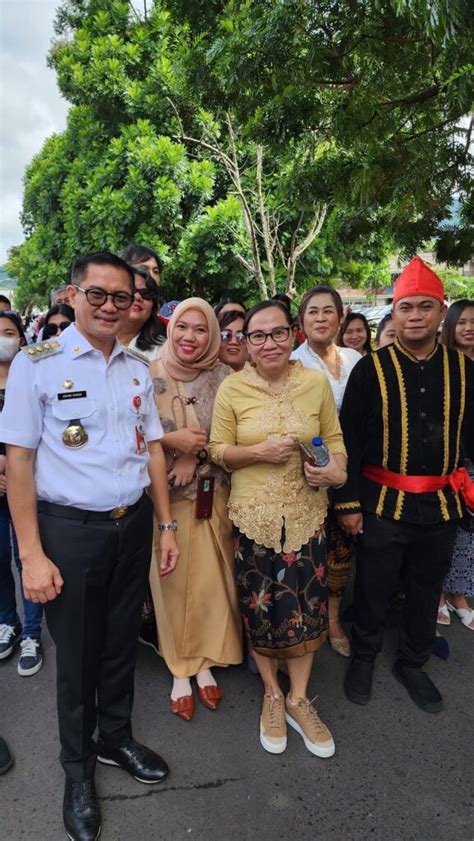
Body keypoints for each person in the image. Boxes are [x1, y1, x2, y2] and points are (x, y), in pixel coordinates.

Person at [0, 251, 179, 841]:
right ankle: (76, 771)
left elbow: (152, 447)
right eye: (96, 295)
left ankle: (115, 739)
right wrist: (31, 554)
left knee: (119, 643)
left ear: (135, 304)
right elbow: (19, 462)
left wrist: (166, 525)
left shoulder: (135, 367)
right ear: (72, 296)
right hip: (70, 532)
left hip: (132, 529)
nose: (109, 306)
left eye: (121, 297)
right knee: (76, 658)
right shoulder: (37, 363)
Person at [334, 257, 474, 714]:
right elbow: (348, 440)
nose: (415, 315)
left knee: (425, 586)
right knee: (373, 587)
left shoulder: (465, 370)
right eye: (406, 307)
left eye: (425, 307)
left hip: (441, 505)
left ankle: (413, 662)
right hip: (381, 503)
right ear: (393, 314)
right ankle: (365, 657)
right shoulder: (369, 369)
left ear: (440, 311)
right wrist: (349, 504)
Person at [209, 300, 347, 757]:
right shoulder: (232, 388)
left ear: (293, 335)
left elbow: (333, 439)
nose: (268, 343)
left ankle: (299, 698)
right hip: (253, 520)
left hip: (308, 517)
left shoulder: (314, 384)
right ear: (246, 343)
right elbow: (216, 450)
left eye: (277, 333)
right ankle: (271, 693)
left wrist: (336, 471)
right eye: (257, 335)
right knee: (261, 613)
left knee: (307, 610)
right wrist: (257, 453)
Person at [148, 298, 242, 721]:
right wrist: (175, 444)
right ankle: (180, 669)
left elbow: (230, 434)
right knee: (172, 582)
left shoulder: (225, 377)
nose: (190, 337)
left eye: (201, 329)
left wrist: (196, 456)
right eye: (183, 327)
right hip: (163, 499)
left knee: (209, 581)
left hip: (212, 493)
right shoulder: (145, 372)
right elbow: (133, 433)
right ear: (170, 329)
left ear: (213, 335)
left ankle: (206, 661)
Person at [291, 286, 361, 656]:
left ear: (341, 317)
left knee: (341, 548)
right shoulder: (292, 362)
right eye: (312, 312)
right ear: (301, 321)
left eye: (328, 311)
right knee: (308, 549)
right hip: (310, 470)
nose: (321, 318)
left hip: (350, 467)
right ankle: (302, 619)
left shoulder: (355, 358)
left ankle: (333, 618)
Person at [0, 312, 44, 676]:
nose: (3, 339)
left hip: (28, 486)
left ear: (22, 338)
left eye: (8, 333)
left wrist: (15, 473)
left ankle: (32, 632)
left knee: (27, 559)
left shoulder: (32, 375)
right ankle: (7, 623)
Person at [437, 299, 474, 631]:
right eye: (461, 322)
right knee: (449, 532)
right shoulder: (442, 365)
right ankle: (440, 595)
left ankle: (458, 593)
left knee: (469, 534)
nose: (469, 328)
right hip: (451, 462)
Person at [118, 267, 166, 361]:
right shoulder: (89, 337)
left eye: (146, 294)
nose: (138, 297)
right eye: (132, 290)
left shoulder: (164, 350)